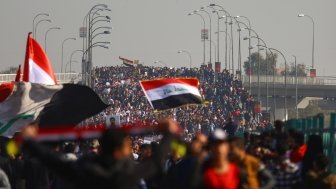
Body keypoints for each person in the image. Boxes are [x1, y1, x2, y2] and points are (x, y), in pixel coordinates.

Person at [21, 119, 180, 189]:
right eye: (127, 145)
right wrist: (169, 133)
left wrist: (29, 140)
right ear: (119, 151)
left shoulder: (83, 170)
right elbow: (157, 161)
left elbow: (53, 160)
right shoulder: (127, 174)